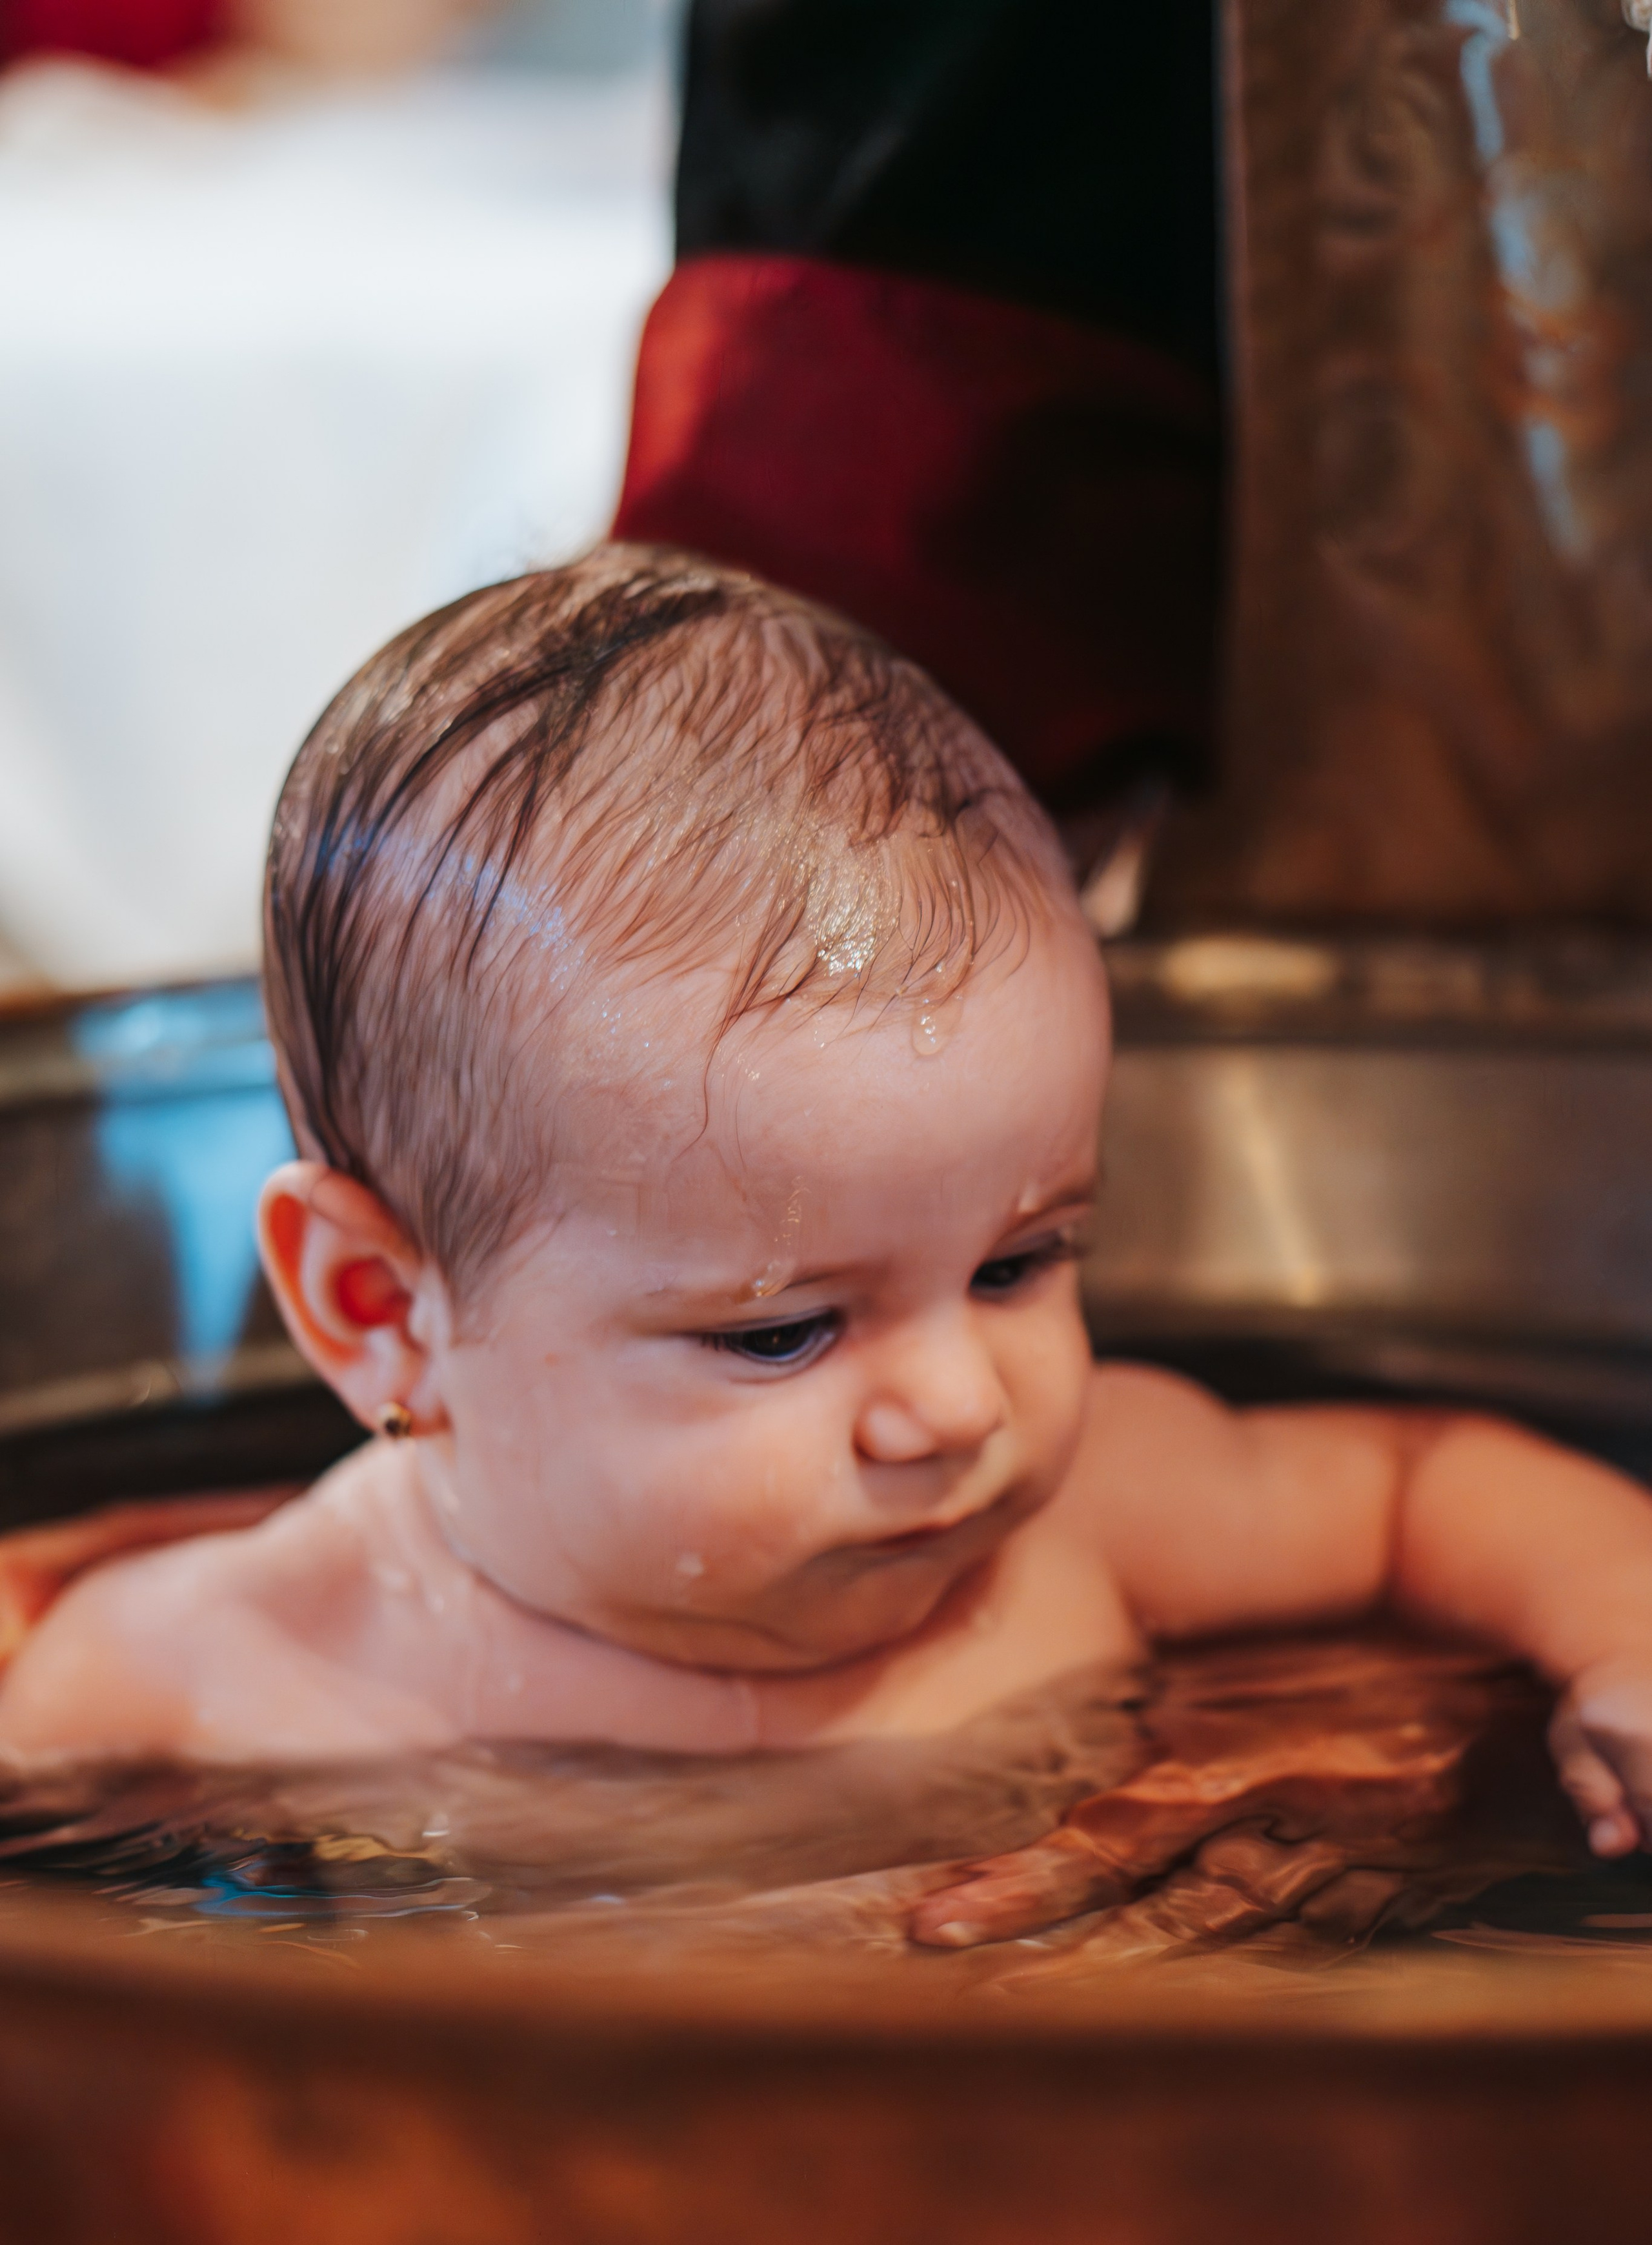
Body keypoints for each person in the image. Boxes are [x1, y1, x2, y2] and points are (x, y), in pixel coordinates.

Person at [2, 545, 1649, 1953]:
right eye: (783, 1332)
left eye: (1019, 1262)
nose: (950, 1405)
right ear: (382, 1312)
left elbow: (1424, 1481)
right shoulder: (217, 1665)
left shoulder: (1083, 1530)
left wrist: (1621, 1637)